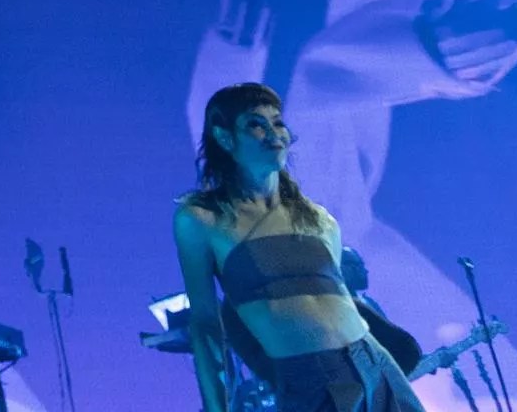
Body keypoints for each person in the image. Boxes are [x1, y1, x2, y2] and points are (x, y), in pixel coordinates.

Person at [171, 81, 424, 412]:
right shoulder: (201, 219)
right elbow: (205, 325)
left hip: (375, 363)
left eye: (277, 122)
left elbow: (339, 302)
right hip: (309, 379)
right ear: (224, 137)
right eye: (256, 124)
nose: (273, 133)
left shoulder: (320, 220)